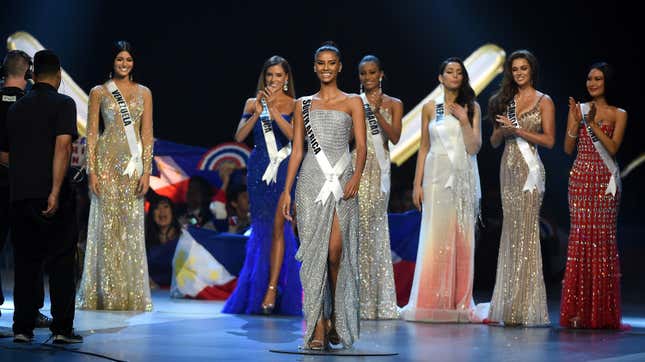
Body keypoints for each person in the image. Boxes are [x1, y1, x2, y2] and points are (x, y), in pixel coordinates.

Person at [281, 42, 366, 350]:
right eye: (321, 63)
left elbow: (362, 147)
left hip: (342, 181)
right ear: (315, 67)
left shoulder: (353, 101)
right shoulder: (302, 103)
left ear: (340, 67)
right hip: (310, 183)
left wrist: (356, 175)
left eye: (332, 63)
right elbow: (297, 150)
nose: (327, 67)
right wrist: (287, 191)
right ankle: (319, 324)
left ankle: (335, 317)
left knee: (334, 254)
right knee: (314, 258)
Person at [3, 49, 81, 343]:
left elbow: (12, 154)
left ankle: (22, 328)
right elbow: (63, 147)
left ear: (32, 75)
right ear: (59, 75)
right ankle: (61, 329)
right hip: (52, 195)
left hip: (20, 195)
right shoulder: (64, 104)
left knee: (25, 262)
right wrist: (55, 192)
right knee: (61, 262)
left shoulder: (16, 108)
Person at [402, 57, 482, 322]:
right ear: (440, 77)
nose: (454, 76)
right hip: (435, 177)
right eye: (449, 72)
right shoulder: (430, 108)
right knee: (435, 236)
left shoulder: (471, 107)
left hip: (461, 178)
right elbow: (424, 147)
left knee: (461, 237)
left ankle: (459, 300)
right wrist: (416, 183)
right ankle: (431, 299)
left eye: (459, 72)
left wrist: (464, 121)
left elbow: (474, 147)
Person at [76, 41, 153, 311]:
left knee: (129, 229)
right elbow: (92, 134)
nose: (124, 63)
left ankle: (128, 294)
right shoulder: (99, 92)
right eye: (120, 59)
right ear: (112, 61)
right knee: (107, 228)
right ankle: (104, 293)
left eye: (128, 59)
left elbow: (146, 135)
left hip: (132, 166)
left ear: (134, 62)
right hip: (107, 163)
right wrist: (92, 171)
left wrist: (147, 171)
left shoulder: (145, 93)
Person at [222, 56, 302, 316]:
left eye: (279, 76)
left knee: (281, 227)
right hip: (258, 171)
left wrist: (274, 111)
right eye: (270, 76)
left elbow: (293, 137)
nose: (274, 80)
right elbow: (239, 136)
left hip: (283, 170)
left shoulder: (295, 104)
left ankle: (272, 288)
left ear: (286, 78)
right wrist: (257, 112)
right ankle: (256, 290)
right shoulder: (252, 103)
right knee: (262, 230)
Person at [487, 50, 555, 326]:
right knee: (511, 234)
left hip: (530, 173)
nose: (519, 73)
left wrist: (518, 131)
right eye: (514, 69)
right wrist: (503, 131)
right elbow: (493, 142)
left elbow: (549, 140)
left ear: (532, 70)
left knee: (527, 234)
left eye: (523, 68)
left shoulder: (544, 101)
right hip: (508, 169)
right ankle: (510, 306)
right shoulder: (504, 102)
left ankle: (526, 306)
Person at [560, 63, 627, 329]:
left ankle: (602, 312)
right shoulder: (579, 109)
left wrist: (591, 124)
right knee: (580, 242)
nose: (592, 83)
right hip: (580, 180)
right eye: (589, 78)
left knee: (602, 243)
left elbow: (612, 148)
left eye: (598, 78)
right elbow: (567, 148)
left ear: (607, 82)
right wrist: (576, 122)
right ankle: (578, 310)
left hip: (605, 181)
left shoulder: (619, 113)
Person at [0, 50, 54, 329]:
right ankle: (30, 311)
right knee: (30, 252)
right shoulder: (32, 104)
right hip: (24, 190)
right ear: (29, 73)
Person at [353, 55, 402, 320]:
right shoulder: (353, 102)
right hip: (358, 167)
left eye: (372, 72)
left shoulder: (394, 104)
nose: (368, 77)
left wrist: (375, 115)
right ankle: (359, 302)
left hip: (380, 170)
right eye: (363, 73)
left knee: (376, 231)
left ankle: (380, 302)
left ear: (381, 74)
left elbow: (394, 137)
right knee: (358, 232)